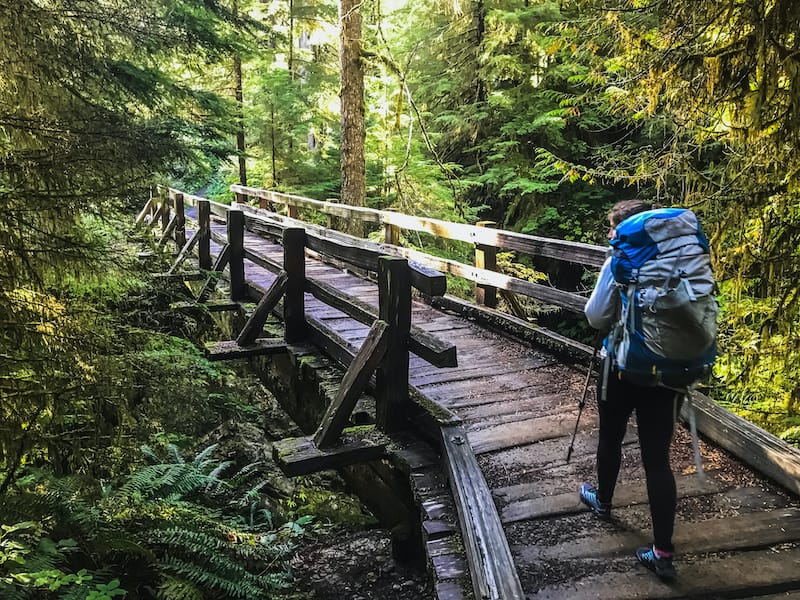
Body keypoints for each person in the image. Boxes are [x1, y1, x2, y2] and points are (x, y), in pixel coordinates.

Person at [580, 199, 680, 580]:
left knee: (610, 437)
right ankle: (663, 551)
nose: (609, 235)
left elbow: (595, 315)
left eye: (612, 227)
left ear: (624, 230)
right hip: (667, 370)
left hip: (621, 366)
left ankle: (603, 502)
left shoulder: (619, 260)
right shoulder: (677, 260)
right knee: (658, 459)